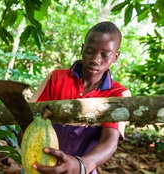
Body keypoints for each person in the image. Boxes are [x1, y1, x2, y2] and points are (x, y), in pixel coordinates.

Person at [28, 21, 131, 174]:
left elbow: (109, 141)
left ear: (115, 56)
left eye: (105, 55)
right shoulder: (56, 78)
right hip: (41, 165)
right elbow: (30, 118)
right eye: (90, 51)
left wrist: (81, 165)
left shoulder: (118, 94)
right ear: (82, 49)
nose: (96, 59)